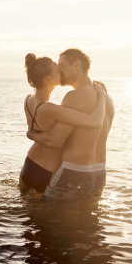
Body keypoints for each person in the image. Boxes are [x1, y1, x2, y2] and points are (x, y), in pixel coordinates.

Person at [27, 48, 115, 201]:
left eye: (61, 66)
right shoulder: (107, 98)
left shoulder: (74, 97)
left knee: (46, 221)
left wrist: (31, 134)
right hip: (99, 173)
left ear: (77, 65)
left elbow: (54, 140)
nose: (59, 72)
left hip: (74, 173)